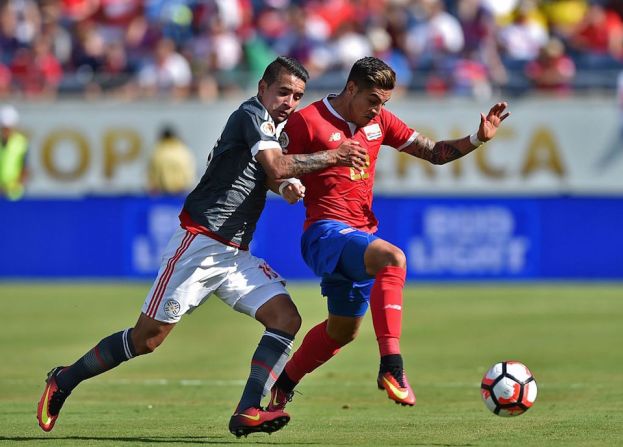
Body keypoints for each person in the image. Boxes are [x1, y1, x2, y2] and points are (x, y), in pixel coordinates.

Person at [37, 56, 367, 438]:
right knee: (147, 340)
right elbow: (276, 167)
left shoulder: (274, 130)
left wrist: (285, 186)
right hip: (199, 245)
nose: (289, 101)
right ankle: (64, 379)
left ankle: (247, 410)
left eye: (296, 95)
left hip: (234, 255)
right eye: (282, 92)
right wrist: (333, 156)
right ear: (262, 88)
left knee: (286, 319)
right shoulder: (252, 115)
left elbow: (270, 174)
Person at [267, 57, 510, 413]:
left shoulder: (379, 121)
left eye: (384, 103)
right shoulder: (308, 120)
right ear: (351, 89)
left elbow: (434, 154)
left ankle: (281, 387)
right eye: (373, 101)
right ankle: (392, 367)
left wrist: (477, 139)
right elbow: (275, 169)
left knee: (342, 331)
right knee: (393, 258)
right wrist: (288, 186)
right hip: (324, 233)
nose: (378, 110)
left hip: (360, 234)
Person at [147, 125, 196, 195]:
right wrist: (188, 185)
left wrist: (152, 186)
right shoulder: (183, 149)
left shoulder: (157, 150)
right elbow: (189, 171)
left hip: (161, 191)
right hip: (180, 191)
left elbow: (151, 172)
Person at [0, 105, 29, 201]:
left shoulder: (21, 143)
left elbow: (25, 167)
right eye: (4, 127)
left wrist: (17, 185)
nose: (6, 131)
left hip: (15, 193)